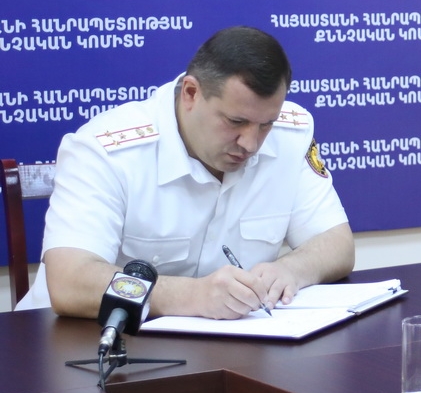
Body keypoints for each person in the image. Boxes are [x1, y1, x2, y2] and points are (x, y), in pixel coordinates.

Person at [21, 26, 355, 319]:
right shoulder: (106, 150)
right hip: (80, 346)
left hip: (223, 348)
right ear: (191, 93)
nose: (251, 143)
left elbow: (337, 244)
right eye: (235, 122)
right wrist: (191, 296)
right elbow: (70, 282)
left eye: (265, 124)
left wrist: (290, 271)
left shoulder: (291, 133)